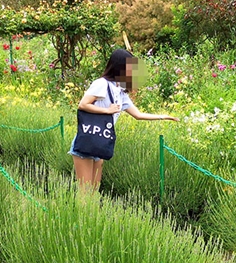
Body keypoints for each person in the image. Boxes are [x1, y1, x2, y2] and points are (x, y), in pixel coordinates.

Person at [70, 49, 178, 191]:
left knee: (93, 192)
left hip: (100, 143)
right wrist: (107, 110)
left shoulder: (120, 91)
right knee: (85, 192)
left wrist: (163, 116)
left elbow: (138, 115)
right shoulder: (101, 84)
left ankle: (91, 214)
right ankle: (81, 214)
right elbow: (83, 104)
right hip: (87, 141)